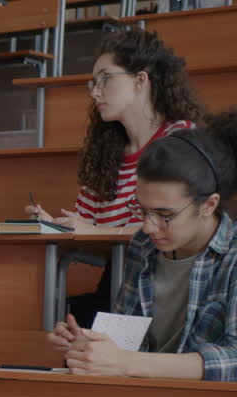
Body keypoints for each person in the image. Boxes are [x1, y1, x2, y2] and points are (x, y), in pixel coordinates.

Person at [25, 28, 204, 324]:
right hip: (120, 282)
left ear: (140, 81)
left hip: (172, 282)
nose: (95, 92)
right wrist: (55, 226)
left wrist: (93, 232)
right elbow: (86, 226)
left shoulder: (179, 138)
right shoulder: (106, 156)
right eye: (93, 83)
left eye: (105, 79)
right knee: (68, 321)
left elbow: (176, 226)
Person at [48, 110, 237, 381]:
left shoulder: (232, 255)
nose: (148, 227)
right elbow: (126, 336)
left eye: (165, 215)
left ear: (209, 205)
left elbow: (234, 360)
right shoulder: (144, 245)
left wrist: (128, 363)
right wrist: (88, 345)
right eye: (142, 210)